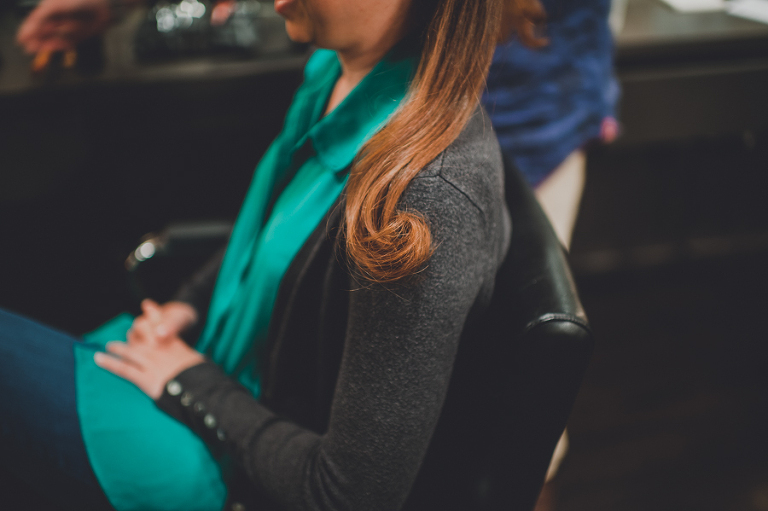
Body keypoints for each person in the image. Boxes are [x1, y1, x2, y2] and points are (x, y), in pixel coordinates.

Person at [2, 1, 547, 510]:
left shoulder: (425, 202)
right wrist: (189, 305)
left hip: (230, 464)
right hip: (199, 378)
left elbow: (348, 493)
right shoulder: (335, 71)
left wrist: (188, 381)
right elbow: (271, 232)